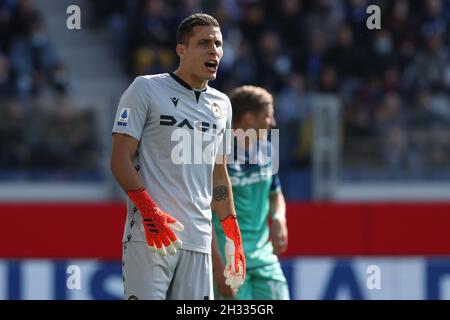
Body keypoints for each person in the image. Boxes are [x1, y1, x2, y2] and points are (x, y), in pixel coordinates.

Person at [110, 13, 245, 300]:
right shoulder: (145, 88)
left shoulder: (222, 104)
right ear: (181, 50)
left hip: (198, 239)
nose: (214, 51)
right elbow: (119, 159)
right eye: (204, 43)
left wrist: (233, 234)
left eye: (219, 44)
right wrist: (150, 213)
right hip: (149, 235)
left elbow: (218, 174)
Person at [212, 85, 290, 300]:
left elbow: (275, 193)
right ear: (248, 118)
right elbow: (203, 216)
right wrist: (217, 266)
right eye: (267, 117)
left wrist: (279, 218)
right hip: (230, 260)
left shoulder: (267, 149)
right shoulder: (217, 155)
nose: (272, 123)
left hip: (265, 258)